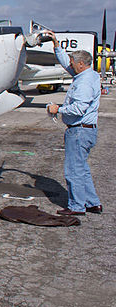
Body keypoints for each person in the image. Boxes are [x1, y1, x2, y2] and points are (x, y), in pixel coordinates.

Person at [45, 31, 101, 216]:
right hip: (86, 131)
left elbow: (78, 109)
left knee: (73, 171)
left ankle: (77, 207)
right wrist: (55, 43)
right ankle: (92, 203)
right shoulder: (89, 75)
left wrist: (58, 109)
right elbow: (64, 61)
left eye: (72, 64)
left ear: (80, 64)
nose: (69, 66)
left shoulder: (84, 83)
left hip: (79, 132)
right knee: (82, 170)